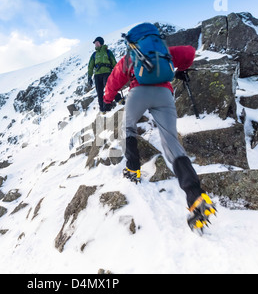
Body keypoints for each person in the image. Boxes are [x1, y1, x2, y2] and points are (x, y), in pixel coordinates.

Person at [103, 23, 216, 232]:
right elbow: (189, 52)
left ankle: (133, 169)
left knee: (127, 128)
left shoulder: (131, 55)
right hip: (164, 94)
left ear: (133, 40)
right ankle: (195, 196)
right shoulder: (164, 51)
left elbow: (114, 79)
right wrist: (180, 70)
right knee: (172, 143)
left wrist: (107, 99)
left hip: (138, 93)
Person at [87, 37, 121, 113]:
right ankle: (103, 109)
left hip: (107, 72)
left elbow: (114, 62)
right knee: (99, 92)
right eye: (95, 43)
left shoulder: (108, 52)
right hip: (97, 75)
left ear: (101, 43)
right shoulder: (94, 55)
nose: (95, 44)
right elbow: (90, 66)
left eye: (97, 42)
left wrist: (118, 72)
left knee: (109, 87)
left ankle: (118, 99)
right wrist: (89, 77)